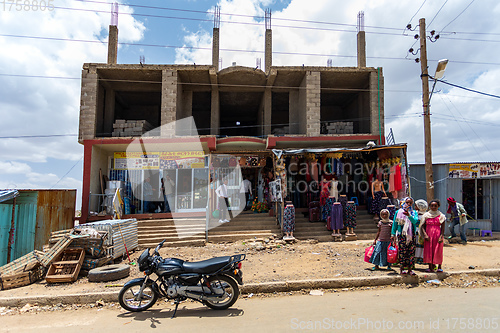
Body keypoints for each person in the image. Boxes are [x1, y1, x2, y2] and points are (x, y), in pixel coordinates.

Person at [391, 197, 419, 276]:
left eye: (410, 203)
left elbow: (415, 221)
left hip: (411, 235)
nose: (408, 204)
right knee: (402, 252)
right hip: (402, 235)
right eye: (407, 202)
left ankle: (410, 269)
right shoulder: (398, 212)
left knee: (411, 252)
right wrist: (393, 234)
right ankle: (402, 268)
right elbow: (395, 224)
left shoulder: (414, 213)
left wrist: (409, 216)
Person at [420, 199, 446, 273]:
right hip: (428, 235)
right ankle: (430, 267)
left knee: (438, 250)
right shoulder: (426, 215)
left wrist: (441, 236)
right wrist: (425, 235)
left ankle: (439, 266)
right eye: (432, 206)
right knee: (429, 250)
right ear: (429, 206)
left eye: (435, 206)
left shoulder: (441, 216)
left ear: (438, 206)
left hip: (437, 235)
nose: (433, 207)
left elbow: (443, 227)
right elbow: (422, 226)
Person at [414, 199, 428, 265]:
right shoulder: (415, 214)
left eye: (416, 205)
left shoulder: (426, 215)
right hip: (415, 232)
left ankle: (421, 258)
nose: (415, 206)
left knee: (421, 246)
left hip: (421, 233)